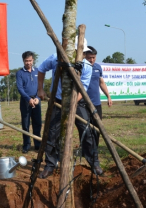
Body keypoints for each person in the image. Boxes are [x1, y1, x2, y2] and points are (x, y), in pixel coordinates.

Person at [37, 36, 102, 179]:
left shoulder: (86, 66)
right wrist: (40, 89)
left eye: (83, 53)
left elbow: (83, 89)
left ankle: (94, 162)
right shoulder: (55, 58)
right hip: (57, 100)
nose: (81, 55)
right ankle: (50, 164)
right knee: (52, 132)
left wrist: (72, 103)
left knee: (87, 130)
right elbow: (41, 69)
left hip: (76, 101)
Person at [84, 46, 112, 169]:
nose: (91, 60)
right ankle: (88, 153)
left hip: (96, 104)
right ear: (84, 56)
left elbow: (101, 83)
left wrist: (108, 96)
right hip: (83, 104)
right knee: (86, 130)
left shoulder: (97, 67)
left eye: (93, 58)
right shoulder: (81, 68)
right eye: (89, 58)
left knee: (97, 129)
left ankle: (94, 152)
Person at [16, 51, 41, 154]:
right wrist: (28, 99)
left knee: (37, 123)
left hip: (36, 101)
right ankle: (26, 145)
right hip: (25, 101)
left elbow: (41, 87)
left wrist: (37, 98)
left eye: (30, 60)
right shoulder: (20, 73)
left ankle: (38, 144)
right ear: (23, 61)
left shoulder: (38, 71)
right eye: (26, 61)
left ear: (33, 60)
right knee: (25, 124)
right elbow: (20, 88)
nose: (28, 63)